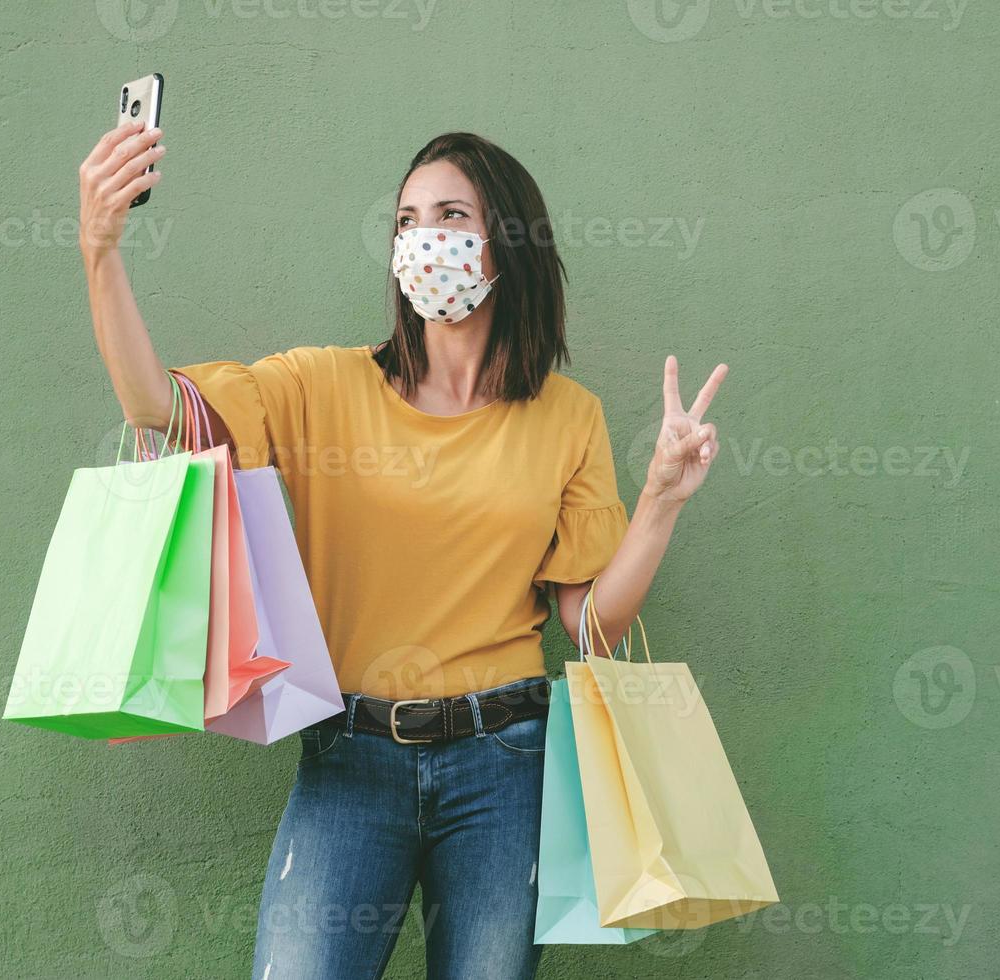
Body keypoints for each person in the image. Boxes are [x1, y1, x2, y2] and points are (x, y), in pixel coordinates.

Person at [78, 126, 727, 980]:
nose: (426, 239)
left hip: (506, 764)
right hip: (351, 757)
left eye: (453, 214)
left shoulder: (568, 416)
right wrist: (100, 248)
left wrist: (660, 504)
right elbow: (156, 406)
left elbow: (592, 626)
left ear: (508, 242)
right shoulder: (318, 386)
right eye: (409, 220)